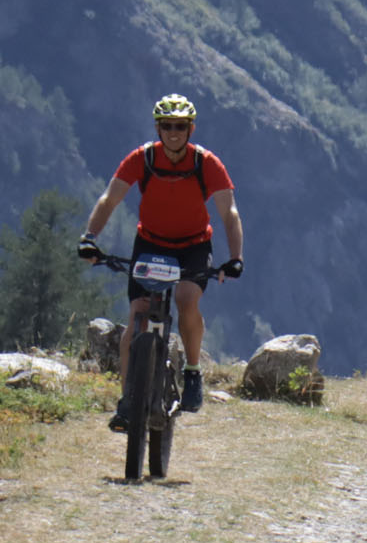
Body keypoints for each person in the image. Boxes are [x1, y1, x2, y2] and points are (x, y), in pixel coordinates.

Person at [77, 93, 245, 428]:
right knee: (138, 313)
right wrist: (89, 238)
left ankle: (192, 372)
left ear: (190, 128)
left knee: (186, 298)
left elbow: (229, 213)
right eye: (167, 126)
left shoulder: (206, 163)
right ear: (158, 128)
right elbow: (110, 199)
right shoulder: (142, 158)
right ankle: (128, 401)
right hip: (151, 244)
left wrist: (235, 257)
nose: (173, 132)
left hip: (193, 246)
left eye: (180, 126)